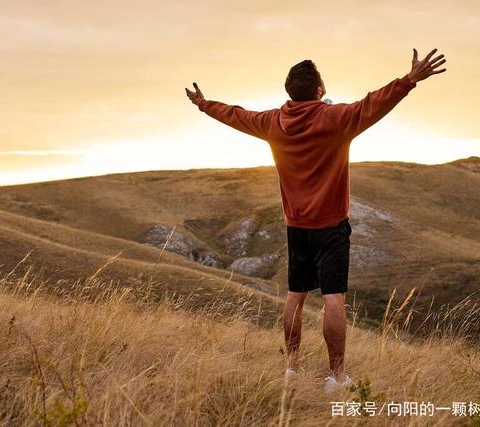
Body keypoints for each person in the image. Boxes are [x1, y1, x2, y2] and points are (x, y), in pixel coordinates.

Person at [185, 48, 446, 392]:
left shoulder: (273, 122)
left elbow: (237, 115)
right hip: (331, 226)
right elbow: (372, 104)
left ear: (289, 92)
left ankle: (291, 369)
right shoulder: (334, 119)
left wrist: (204, 104)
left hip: (296, 226)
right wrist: (409, 80)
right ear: (320, 89)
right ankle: (336, 376)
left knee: (296, 295)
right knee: (332, 298)